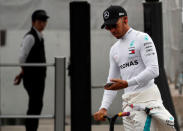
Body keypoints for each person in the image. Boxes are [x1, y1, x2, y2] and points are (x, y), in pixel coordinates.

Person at [94, 5, 175, 131]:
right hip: (128, 106)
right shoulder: (114, 49)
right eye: (108, 28)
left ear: (125, 20)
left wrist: (127, 83)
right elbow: (112, 82)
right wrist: (103, 108)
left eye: (114, 26)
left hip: (147, 104)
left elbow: (154, 70)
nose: (112, 30)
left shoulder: (142, 38)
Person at [14, 9, 49, 131]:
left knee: (36, 104)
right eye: (40, 21)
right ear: (33, 22)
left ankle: (32, 128)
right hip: (32, 78)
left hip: (38, 78)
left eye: (44, 21)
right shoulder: (30, 37)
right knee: (35, 104)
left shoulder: (39, 36)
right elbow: (21, 57)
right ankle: (31, 129)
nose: (43, 23)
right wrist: (24, 72)